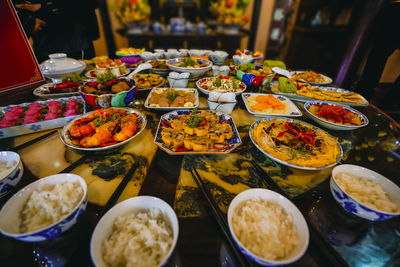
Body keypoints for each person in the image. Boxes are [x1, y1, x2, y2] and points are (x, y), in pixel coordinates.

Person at [14, 0, 100, 62]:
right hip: (43, 48)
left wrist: (42, 8)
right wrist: (30, 23)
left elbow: (89, 4)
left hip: (74, 44)